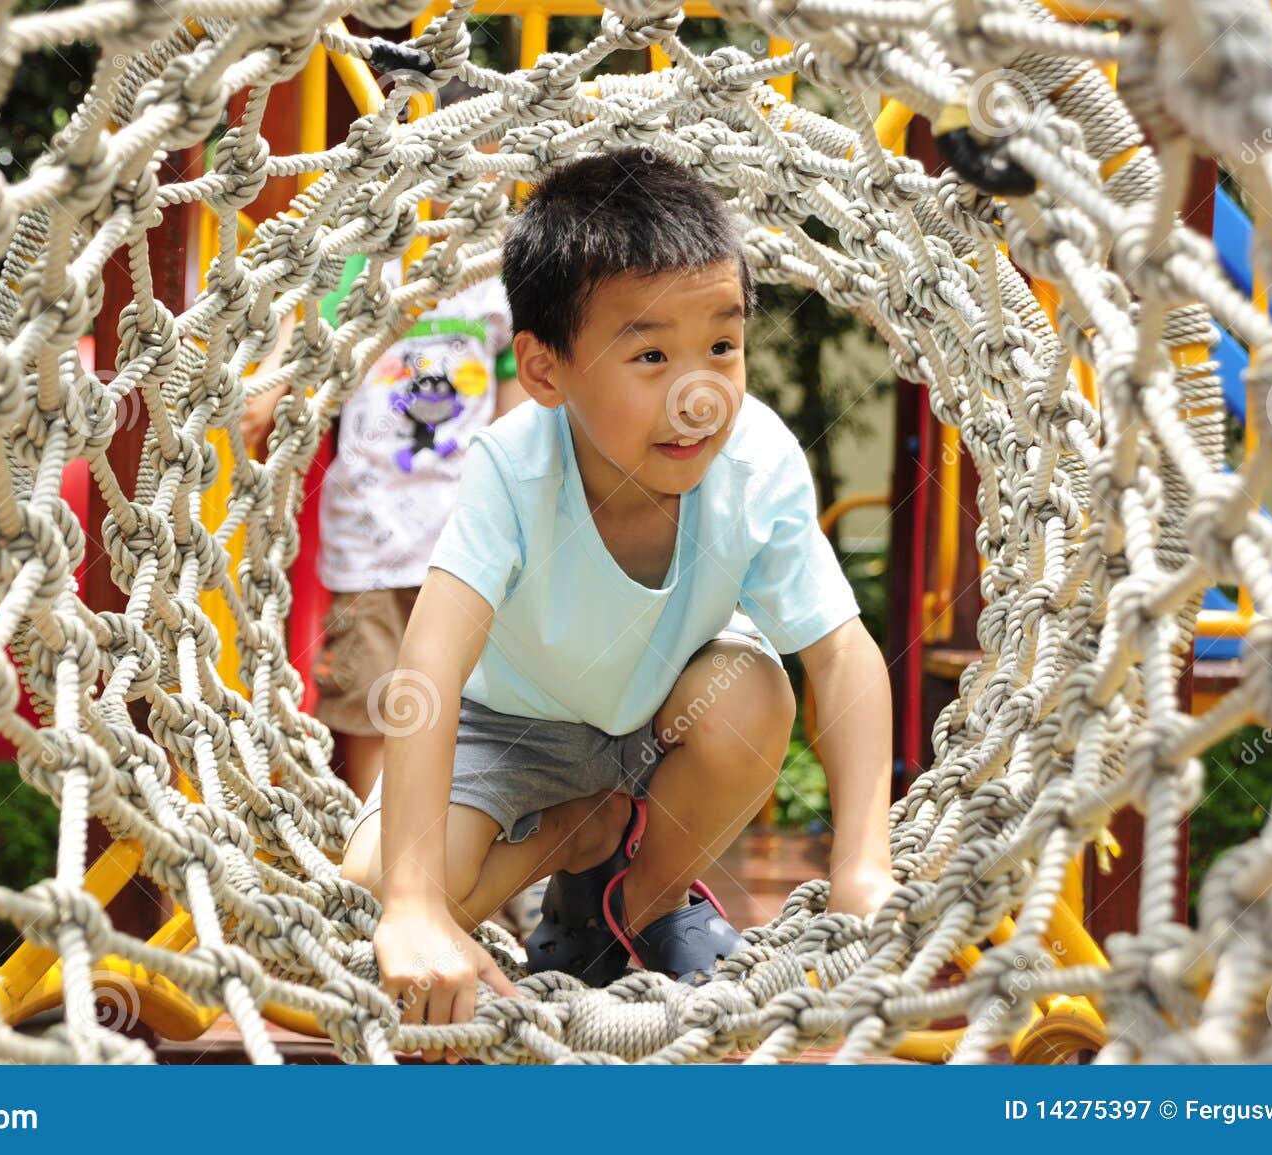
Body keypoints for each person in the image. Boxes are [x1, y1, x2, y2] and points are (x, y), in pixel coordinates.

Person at [339, 149, 896, 1043]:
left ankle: (646, 902)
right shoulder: (513, 468)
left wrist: (863, 865)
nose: (698, 395)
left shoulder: (755, 461)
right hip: (509, 729)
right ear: (547, 372)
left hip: (665, 721)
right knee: (368, 894)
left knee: (753, 691)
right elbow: (429, 668)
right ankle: (581, 835)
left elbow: (841, 652)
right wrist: (411, 904)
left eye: (722, 347)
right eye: (651, 354)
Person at [243, 238, 525, 803]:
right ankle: (379, 841)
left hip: (466, 543)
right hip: (368, 544)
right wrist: (268, 373)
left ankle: (458, 836)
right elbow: (272, 389)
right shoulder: (360, 265)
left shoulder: (495, 276)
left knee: (469, 703)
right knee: (372, 700)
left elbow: (518, 412)